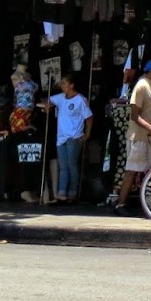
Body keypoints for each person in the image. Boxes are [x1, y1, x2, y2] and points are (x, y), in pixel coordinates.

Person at [111, 57, 151, 213]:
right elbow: (134, 115)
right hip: (140, 137)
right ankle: (120, 204)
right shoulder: (141, 86)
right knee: (132, 170)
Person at [47, 74, 93, 204]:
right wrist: (47, 105)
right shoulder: (61, 98)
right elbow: (49, 100)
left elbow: (89, 117)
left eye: (64, 83)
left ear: (71, 85)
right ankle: (62, 192)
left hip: (74, 137)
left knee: (72, 165)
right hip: (61, 137)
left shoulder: (80, 100)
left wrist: (87, 134)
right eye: (61, 84)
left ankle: (73, 192)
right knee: (63, 166)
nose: (62, 86)